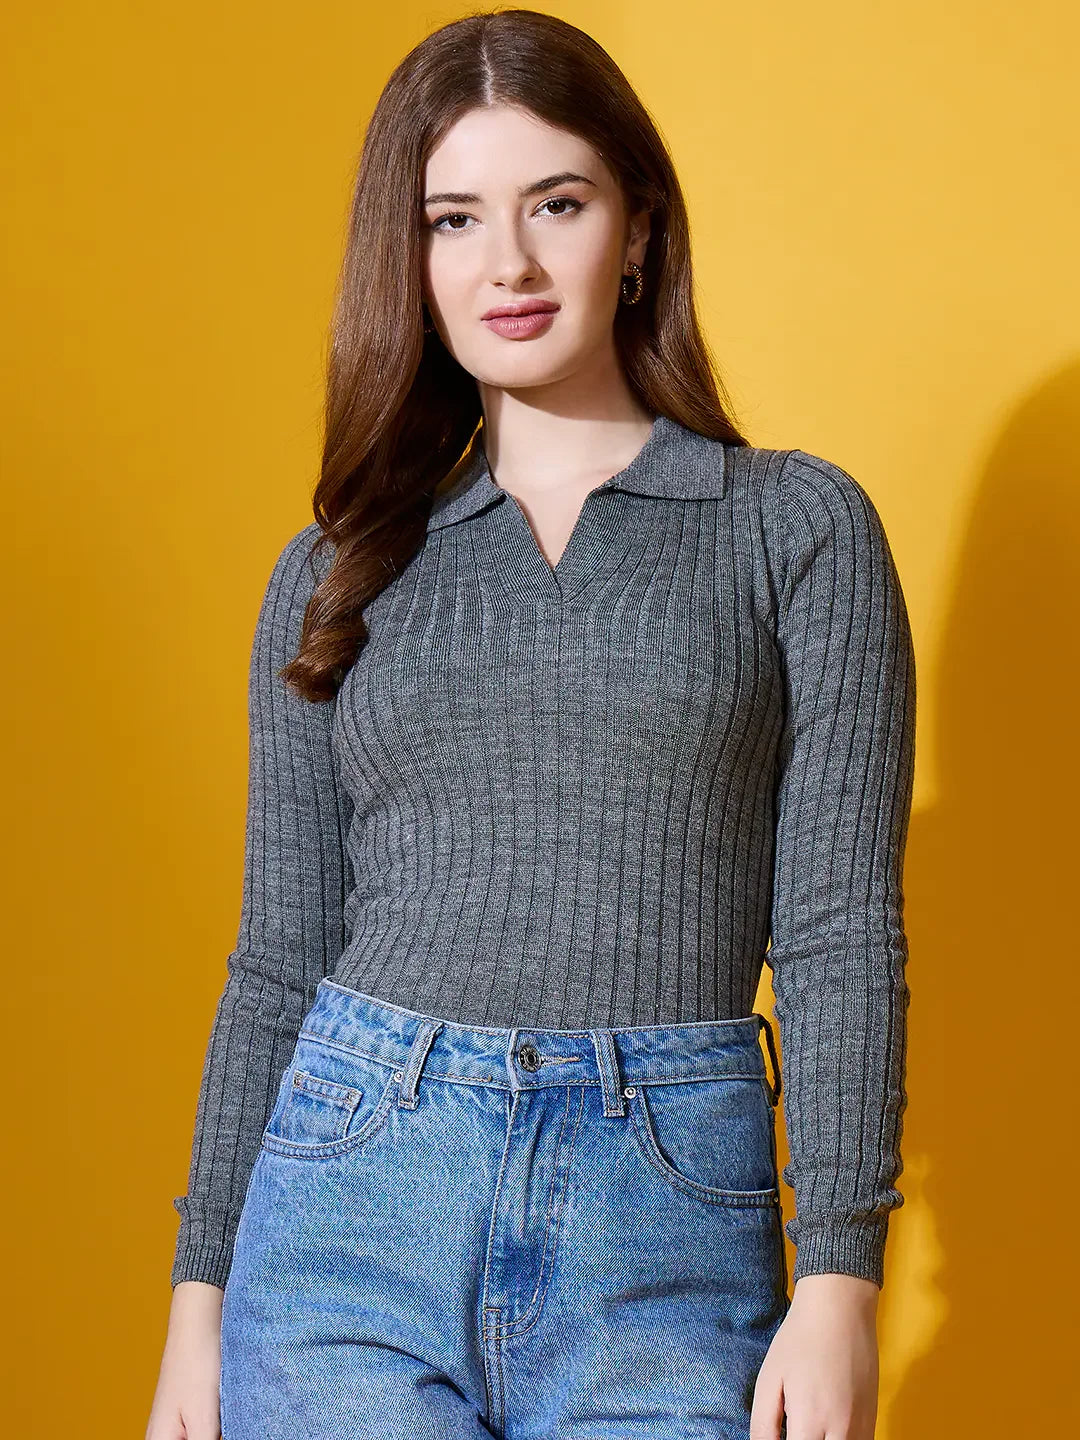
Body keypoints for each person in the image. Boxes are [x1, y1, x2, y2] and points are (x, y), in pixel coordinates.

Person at [146, 10, 916, 1440]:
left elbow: (835, 934)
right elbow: (278, 957)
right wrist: (199, 1303)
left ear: (635, 232)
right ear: (411, 256)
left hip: (667, 1234)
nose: (506, 264)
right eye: (454, 219)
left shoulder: (796, 532)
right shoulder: (333, 574)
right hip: (350, 1203)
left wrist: (843, 1277)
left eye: (556, 203)